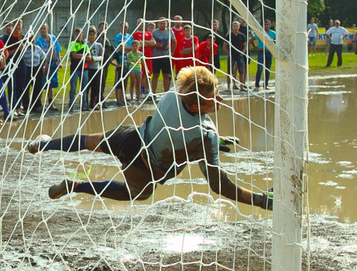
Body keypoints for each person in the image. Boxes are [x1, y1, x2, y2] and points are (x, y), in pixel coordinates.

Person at [28, 64, 273, 210]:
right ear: (198, 104)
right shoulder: (205, 136)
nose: (219, 99)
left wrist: (217, 140)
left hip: (131, 137)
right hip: (144, 168)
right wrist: (262, 201)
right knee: (139, 194)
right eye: (213, 97)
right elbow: (220, 186)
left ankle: (42, 145)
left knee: (88, 141)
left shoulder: (171, 96)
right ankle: (76, 186)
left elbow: (178, 127)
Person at [149, 18, 174, 94]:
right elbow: (150, 42)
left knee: (166, 75)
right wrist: (156, 44)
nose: (162, 25)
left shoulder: (170, 32)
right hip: (156, 56)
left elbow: (174, 41)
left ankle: (166, 92)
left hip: (166, 56)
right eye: (160, 23)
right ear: (158, 24)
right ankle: (153, 92)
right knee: (155, 75)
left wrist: (172, 52)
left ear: (167, 24)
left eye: (164, 23)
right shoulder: (154, 32)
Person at [253, 20, 275, 89]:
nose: (266, 26)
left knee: (267, 69)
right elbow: (251, 40)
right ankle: (257, 85)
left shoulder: (273, 33)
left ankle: (266, 85)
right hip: (261, 52)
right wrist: (255, 47)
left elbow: (277, 41)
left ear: (270, 25)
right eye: (265, 24)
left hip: (269, 52)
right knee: (260, 68)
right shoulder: (260, 33)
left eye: (268, 24)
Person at [229, 20, 248, 90]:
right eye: (234, 26)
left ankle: (242, 86)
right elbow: (224, 46)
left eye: (237, 26)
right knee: (232, 70)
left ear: (239, 27)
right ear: (232, 27)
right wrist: (229, 53)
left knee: (241, 71)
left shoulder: (242, 35)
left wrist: (243, 52)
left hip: (240, 56)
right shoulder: (229, 35)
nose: (235, 27)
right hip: (232, 55)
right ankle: (232, 85)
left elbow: (245, 45)